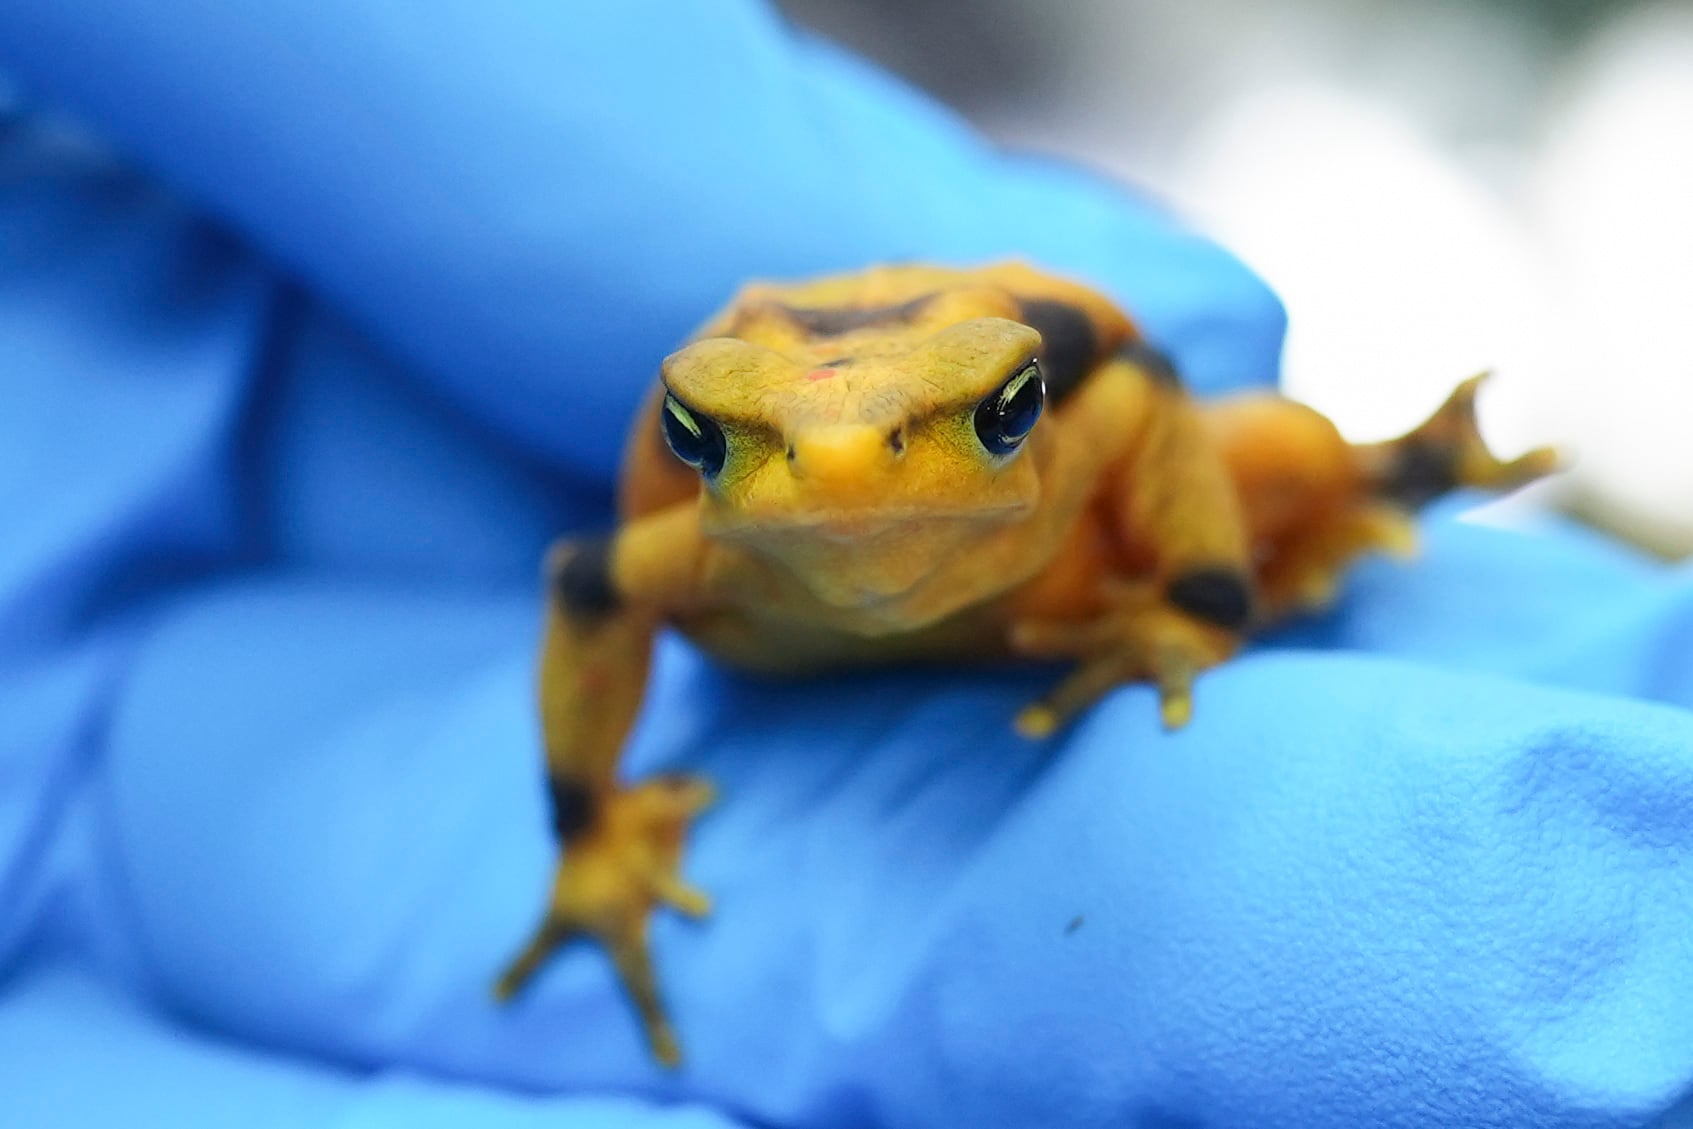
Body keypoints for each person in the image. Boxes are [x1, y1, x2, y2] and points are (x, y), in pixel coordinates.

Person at [2, 3, 1691, 1126]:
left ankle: (1405, 468)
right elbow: (596, 583)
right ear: (711, 441)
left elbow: (1146, 408)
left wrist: (1189, 596)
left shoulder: (1082, 428)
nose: (830, 474)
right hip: (808, 618)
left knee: (1274, 451)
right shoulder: (695, 546)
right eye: (733, 442)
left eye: (989, 413)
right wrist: (587, 825)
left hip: (1034, 540)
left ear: (1018, 409)